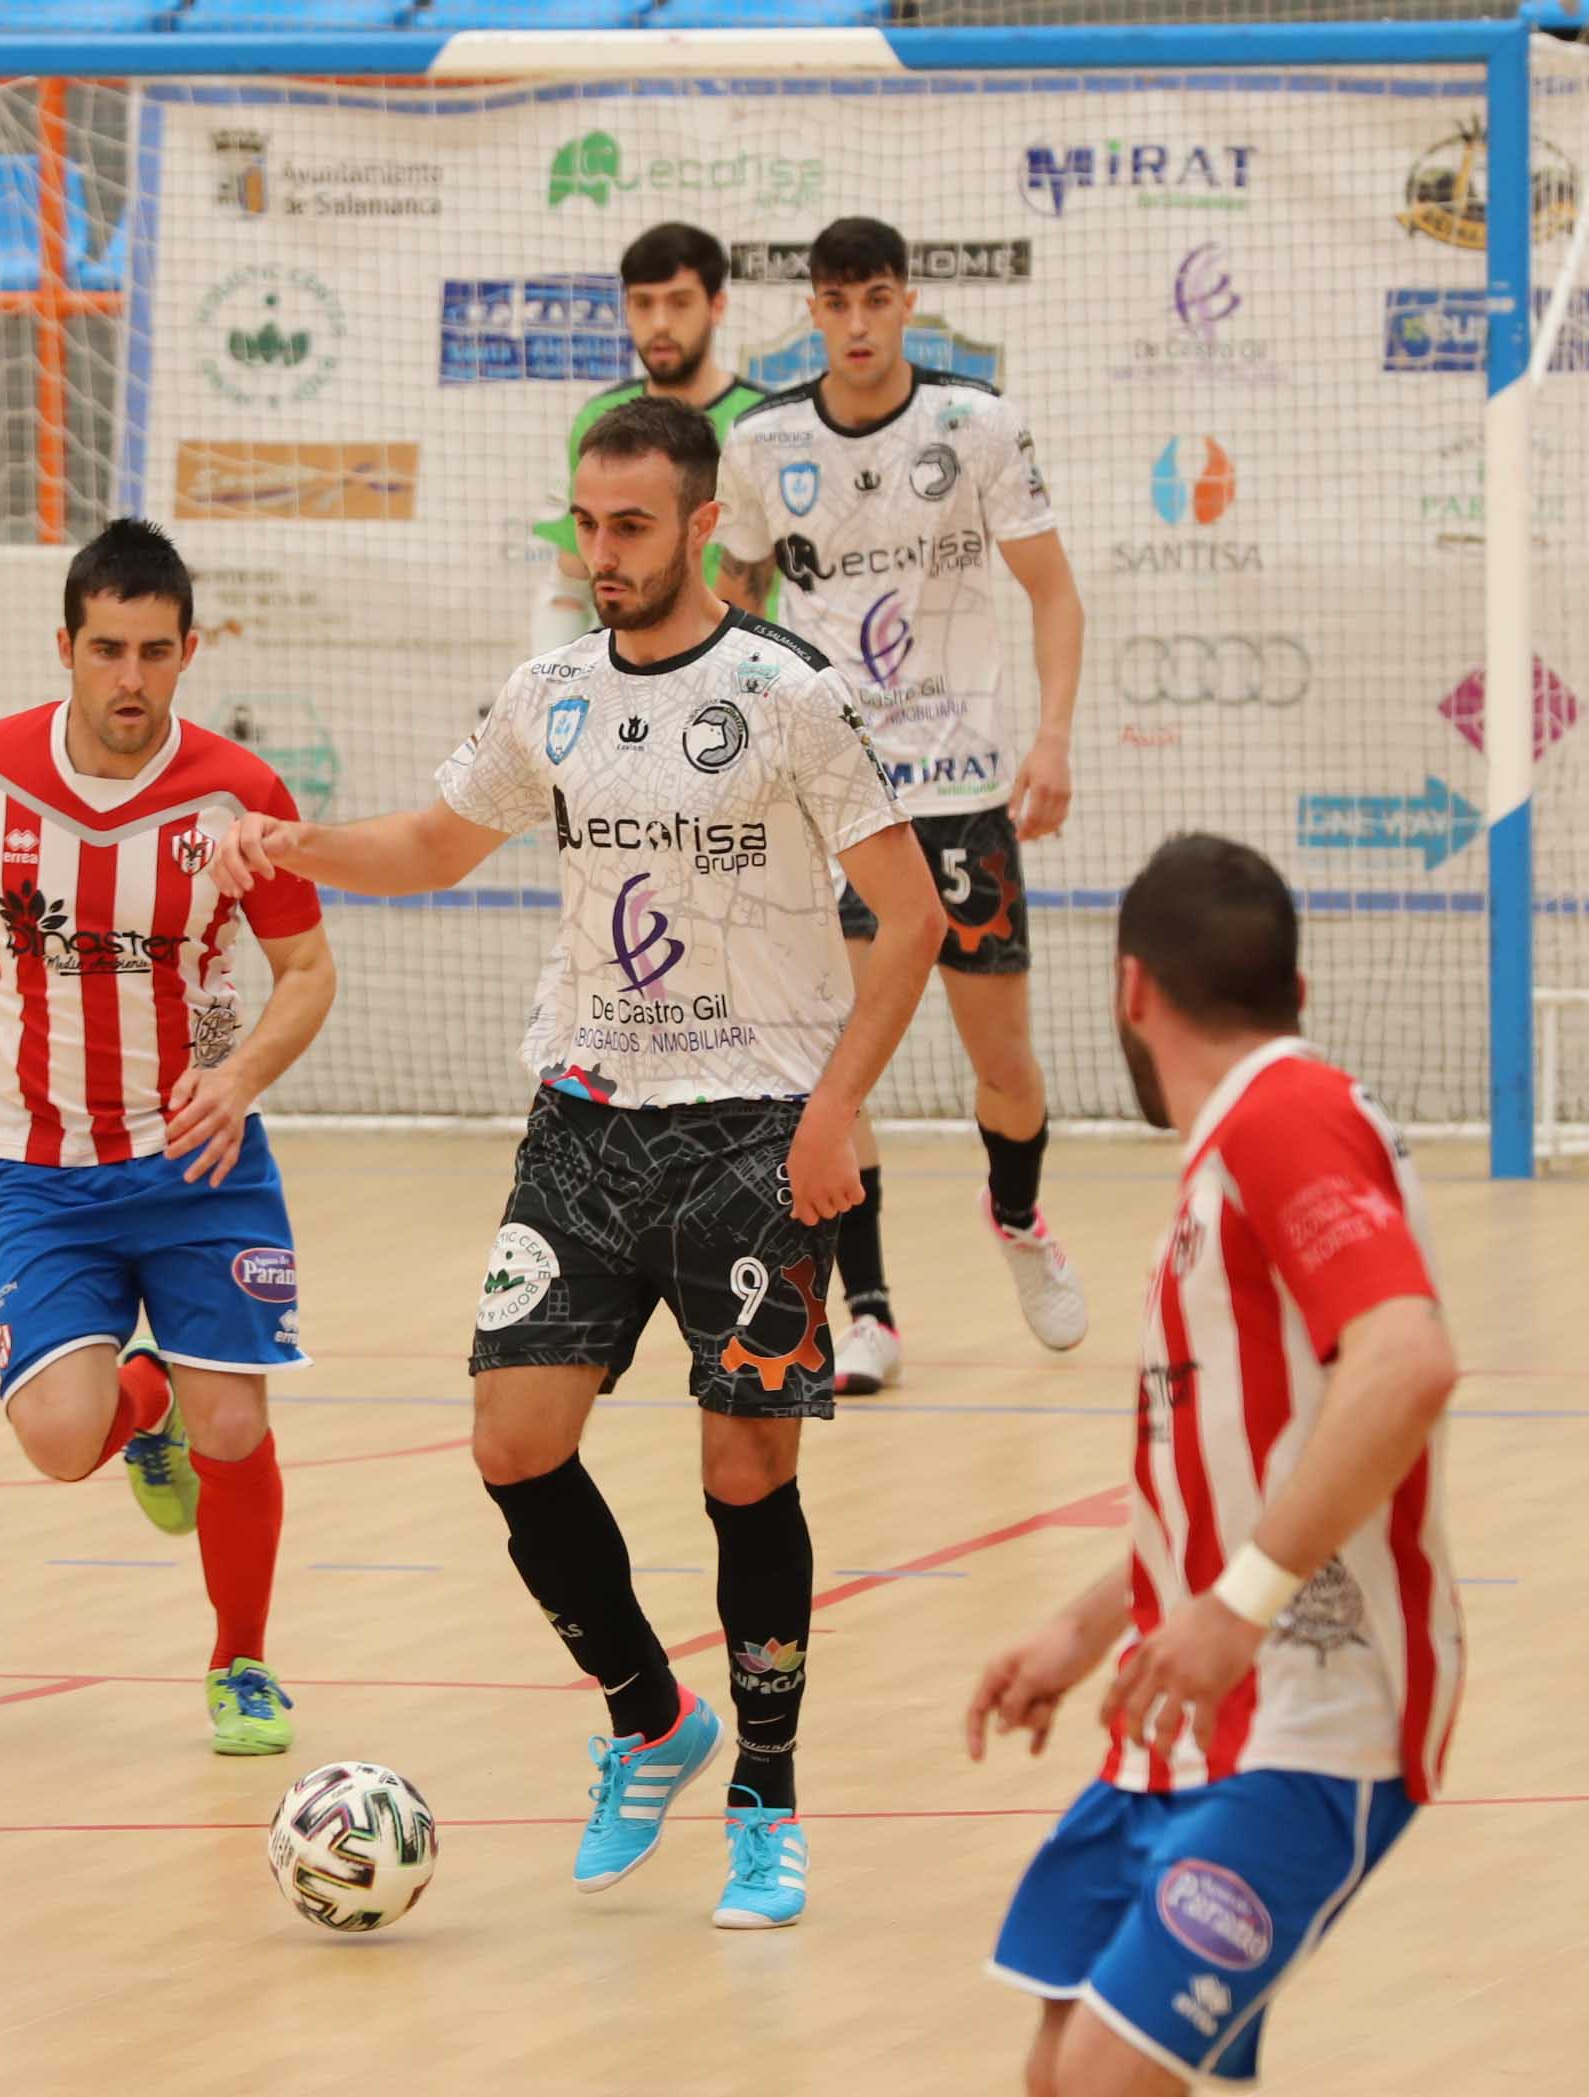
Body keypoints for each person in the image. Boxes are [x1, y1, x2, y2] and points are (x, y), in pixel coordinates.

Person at [213, 395, 942, 1929]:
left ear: (699, 528)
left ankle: (764, 1798)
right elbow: (430, 841)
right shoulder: (546, 692)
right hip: (589, 1112)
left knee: (745, 1466)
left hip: (755, 1119)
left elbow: (914, 917)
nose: (600, 555)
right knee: (511, 1440)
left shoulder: (790, 694)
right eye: (584, 526)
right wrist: (290, 846)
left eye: (629, 527)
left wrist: (830, 1117)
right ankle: (644, 1716)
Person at [0, 518, 335, 1759]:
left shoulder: (241, 796)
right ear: (66, 650)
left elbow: (307, 969)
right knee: (54, 1441)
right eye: (106, 650)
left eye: (153, 651)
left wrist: (241, 1077)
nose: (129, 679)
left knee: (239, 1426)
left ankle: (241, 1662)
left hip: (198, 1160)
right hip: (40, 1169)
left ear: (190, 652)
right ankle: (150, 1410)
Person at [965, 833, 1466, 2097]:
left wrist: (1240, 1607)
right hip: (1187, 1714)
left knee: (1113, 2094)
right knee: (1061, 2089)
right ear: (1287, 984)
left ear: (1130, 991)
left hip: (1309, 1716)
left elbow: (1406, 1360)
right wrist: (1089, 1628)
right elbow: (1233, 1470)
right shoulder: (1235, 1144)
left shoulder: (1279, 1114)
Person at [715, 215, 1092, 1394]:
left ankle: (1020, 1217)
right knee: (836, 1065)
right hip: (830, 799)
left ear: (906, 300)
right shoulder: (763, 441)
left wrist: (1054, 738)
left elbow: (1054, 592)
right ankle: (867, 1308)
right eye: (837, 303)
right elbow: (729, 603)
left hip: (967, 793)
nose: (860, 323)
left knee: (1006, 1062)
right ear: (811, 313)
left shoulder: (976, 425)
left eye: (878, 298)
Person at [530, 221, 771, 653]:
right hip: (629, 680)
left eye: (679, 303)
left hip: (744, 676)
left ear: (717, 306)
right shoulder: (598, 419)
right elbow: (570, 579)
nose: (659, 323)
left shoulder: (768, 424)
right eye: (642, 304)